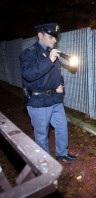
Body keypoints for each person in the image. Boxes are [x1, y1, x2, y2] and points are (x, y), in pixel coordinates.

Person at [19, 23, 76, 162]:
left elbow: (57, 74)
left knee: (62, 127)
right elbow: (28, 74)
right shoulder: (29, 53)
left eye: (55, 37)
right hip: (38, 102)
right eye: (51, 37)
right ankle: (45, 163)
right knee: (42, 135)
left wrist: (60, 85)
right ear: (40, 35)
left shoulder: (52, 52)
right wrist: (49, 60)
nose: (54, 40)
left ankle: (62, 153)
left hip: (55, 100)